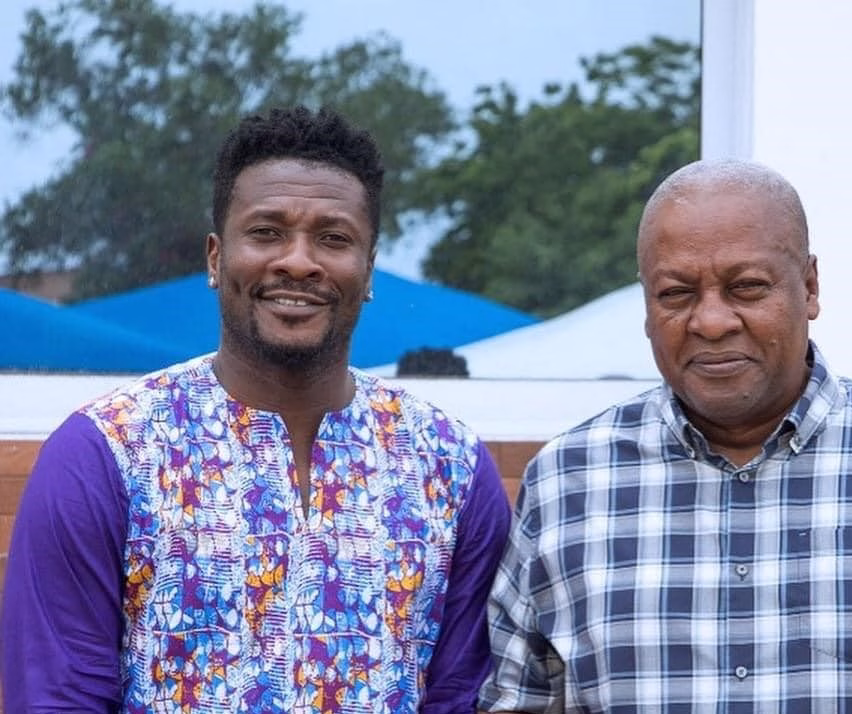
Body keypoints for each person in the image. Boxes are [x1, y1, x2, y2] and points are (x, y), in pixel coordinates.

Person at [479, 158, 852, 712]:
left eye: (746, 287)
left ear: (810, 288)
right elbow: (515, 700)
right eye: (677, 294)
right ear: (645, 306)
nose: (712, 321)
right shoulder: (568, 481)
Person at [1, 105, 510, 713]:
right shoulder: (107, 451)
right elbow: (58, 696)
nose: (298, 260)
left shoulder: (448, 465)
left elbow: (461, 696)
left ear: (368, 269)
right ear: (216, 258)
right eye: (267, 231)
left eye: (334, 237)